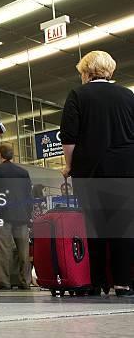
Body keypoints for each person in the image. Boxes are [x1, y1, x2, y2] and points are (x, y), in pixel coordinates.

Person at [60, 50, 134, 297]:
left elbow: (69, 137)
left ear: (86, 71)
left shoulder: (78, 94)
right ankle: (124, 283)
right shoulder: (128, 95)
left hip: (90, 169)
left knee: (95, 226)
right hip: (126, 169)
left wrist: (69, 166)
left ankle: (98, 281)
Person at [0, 143, 32, 290]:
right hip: (22, 216)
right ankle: (25, 281)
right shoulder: (23, 172)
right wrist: (28, 214)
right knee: (24, 252)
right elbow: (28, 195)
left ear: (0, 155)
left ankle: (4, 282)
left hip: (3, 215)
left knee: (4, 251)